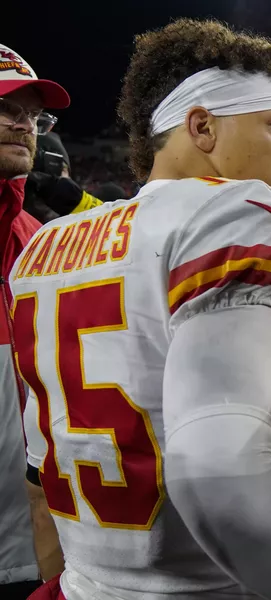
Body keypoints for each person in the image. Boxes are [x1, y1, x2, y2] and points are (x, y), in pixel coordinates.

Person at [14, 19, 271, 600]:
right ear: (201, 126)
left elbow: (40, 466)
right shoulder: (238, 212)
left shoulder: (47, 243)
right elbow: (222, 472)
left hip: (82, 584)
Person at [0, 42, 69, 599]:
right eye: (6, 109)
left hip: (34, 547)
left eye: (32, 114)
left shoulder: (36, 243)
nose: (23, 125)